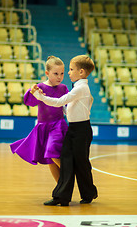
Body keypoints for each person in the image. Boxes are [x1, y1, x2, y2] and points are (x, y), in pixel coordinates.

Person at [32, 55, 98, 206]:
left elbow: (60, 102)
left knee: (81, 163)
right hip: (73, 129)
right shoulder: (79, 88)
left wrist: (40, 97)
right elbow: (68, 107)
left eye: (71, 69)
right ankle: (61, 197)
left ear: (81, 72)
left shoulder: (81, 88)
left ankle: (88, 193)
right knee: (67, 162)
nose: (68, 73)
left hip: (82, 131)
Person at [10, 56, 69, 183]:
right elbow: (30, 102)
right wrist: (32, 92)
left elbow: (69, 104)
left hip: (58, 126)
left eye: (62, 73)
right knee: (50, 159)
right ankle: (61, 188)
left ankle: (71, 170)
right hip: (43, 127)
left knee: (52, 151)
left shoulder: (63, 88)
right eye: (56, 73)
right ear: (47, 73)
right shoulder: (40, 87)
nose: (59, 77)